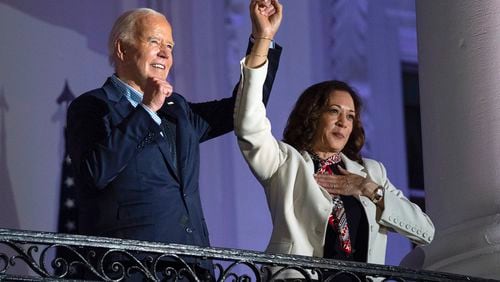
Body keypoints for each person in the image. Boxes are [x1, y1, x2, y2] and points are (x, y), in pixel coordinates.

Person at [66, 4, 281, 280]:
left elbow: (242, 109)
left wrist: (262, 39)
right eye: (154, 41)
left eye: (170, 46)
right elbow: (95, 172)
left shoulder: (176, 109)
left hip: (192, 267)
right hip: (130, 268)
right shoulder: (93, 106)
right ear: (122, 50)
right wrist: (146, 110)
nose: (166, 53)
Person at [234, 2, 434, 279]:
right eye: (334, 111)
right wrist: (263, 38)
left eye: (351, 116)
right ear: (313, 116)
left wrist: (369, 189)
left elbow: (427, 232)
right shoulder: (285, 163)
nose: (344, 122)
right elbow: (249, 124)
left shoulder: (371, 173)